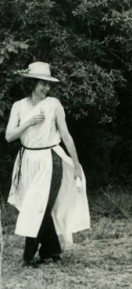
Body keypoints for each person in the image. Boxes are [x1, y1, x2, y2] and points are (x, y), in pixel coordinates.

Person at [6, 61, 90, 266]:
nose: (46, 88)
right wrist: (28, 122)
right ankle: (52, 251)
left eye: (48, 84)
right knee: (31, 204)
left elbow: (67, 136)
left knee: (40, 206)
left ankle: (30, 253)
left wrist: (77, 165)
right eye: (42, 83)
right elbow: (9, 136)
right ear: (32, 83)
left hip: (50, 158)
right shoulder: (19, 106)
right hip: (26, 160)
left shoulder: (54, 104)